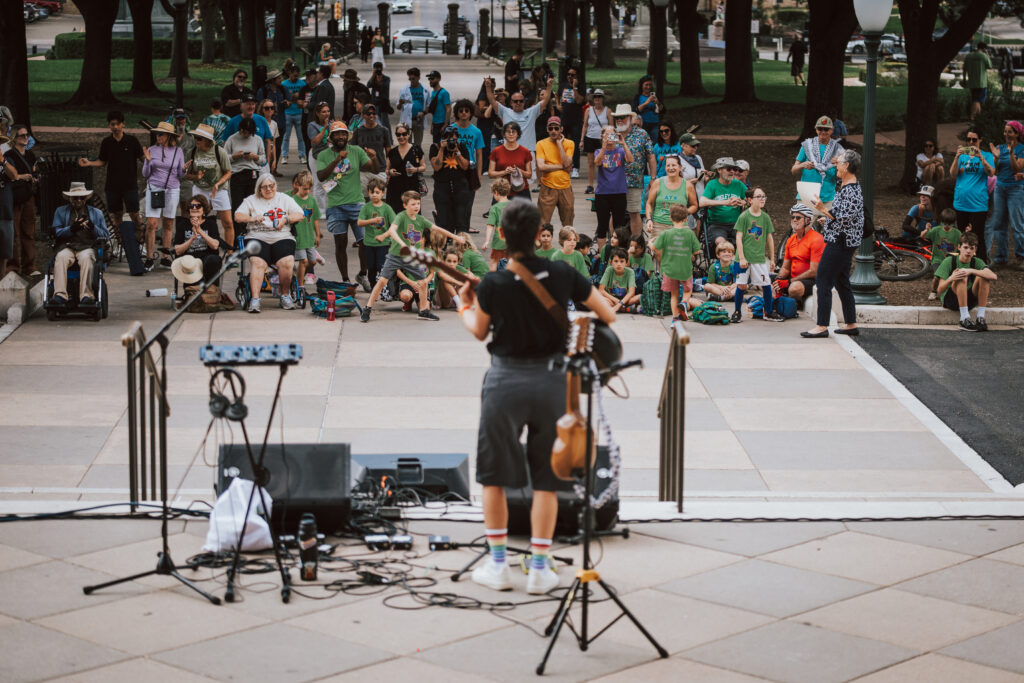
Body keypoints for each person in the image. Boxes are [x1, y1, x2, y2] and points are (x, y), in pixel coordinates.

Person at [456, 198, 615, 594]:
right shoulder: (562, 272)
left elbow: (479, 331)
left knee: (493, 475)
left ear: (505, 235)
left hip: (506, 381)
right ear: (539, 230)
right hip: (553, 382)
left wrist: (463, 306)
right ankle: (540, 566)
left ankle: (498, 566)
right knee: (546, 477)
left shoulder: (493, 281)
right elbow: (607, 315)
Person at [360, 190, 463, 322]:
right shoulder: (401, 216)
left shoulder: (420, 220)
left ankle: (424, 311)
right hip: (395, 256)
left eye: (418, 203)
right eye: (413, 204)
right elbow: (392, 230)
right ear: (405, 206)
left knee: (423, 282)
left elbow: (437, 229)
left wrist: (455, 237)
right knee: (382, 281)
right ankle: (367, 309)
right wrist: (403, 244)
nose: (416, 206)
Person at [803, 149, 863, 338]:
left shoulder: (852, 189)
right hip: (843, 240)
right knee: (842, 281)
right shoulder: (846, 187)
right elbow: (842, 217)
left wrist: (822, 210)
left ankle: (821, 326)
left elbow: (844, 218)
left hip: (840, 242)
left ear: (847, 166)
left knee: (823, 280)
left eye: (839, 162)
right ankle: (851, 323)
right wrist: (827, 219)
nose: (835, 164)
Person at [317, 120, 379, 288]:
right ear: (331, 137)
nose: (341, 137)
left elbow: (373, 169)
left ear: (348, 136)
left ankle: (362, 275)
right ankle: (345, 279)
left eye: (344, 134)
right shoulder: (323, 155)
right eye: (337, 134)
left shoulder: (356, 151)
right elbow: (321, 176)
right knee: (341, 241)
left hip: (357, 203)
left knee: (364, 241)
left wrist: (374, 158)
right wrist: (337, 159)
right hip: (336, 205)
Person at [233, 173, 305, 312]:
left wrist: (286, 220)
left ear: (275, 186)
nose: (268, 189)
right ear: (259, 189)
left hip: (281, 235)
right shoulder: (251, 200)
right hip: (257, 236)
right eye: (264, 187)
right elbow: (237, 216)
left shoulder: (284, 199)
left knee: (287, 262)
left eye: (271, 186)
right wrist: (252, 218)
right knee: (258, 263)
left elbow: (300, 214)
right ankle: (255, 299)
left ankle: (285, 295)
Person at [77, 111, 145, 244]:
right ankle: (120, 241)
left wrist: (153, 162)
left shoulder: (132, 141)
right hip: (112, 185)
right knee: (117, 214)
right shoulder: (107, 142)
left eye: (117, 124)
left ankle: (140, 234)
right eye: (112, 124)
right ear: (109, 126)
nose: (115, 127)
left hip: (130, 184)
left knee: (134, 213)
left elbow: (144, 159)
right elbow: (102, 161)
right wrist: (89, 162)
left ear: (123, 124)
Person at [50, 182, 110, 307]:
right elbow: (56, 232)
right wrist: (71, 229)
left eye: (81, 198)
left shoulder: (96, 213)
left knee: (87, 258)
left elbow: (105, 235)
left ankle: (86, 296)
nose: (78, 200)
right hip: (67, 246)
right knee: (61, 258)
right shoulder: (60, 212)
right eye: (75, 198)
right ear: (70, 198)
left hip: (87, 246)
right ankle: (60, 295)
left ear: (85, 199)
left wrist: (93, 227)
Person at [142, 121, 186, 270]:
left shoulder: (178, 151)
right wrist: (148, 162)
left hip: (172, 188)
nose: (158, 136)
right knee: (151, 224)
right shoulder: (151, 149)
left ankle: (165, 257)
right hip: (154, 187)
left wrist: (185, 170)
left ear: (168, 136)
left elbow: (180, 174)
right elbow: (145, 174)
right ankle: (149, 257)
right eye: (156, 133)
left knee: (168, 223)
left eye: (161, 134)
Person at [734, 187, 782, 322]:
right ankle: (737, 312)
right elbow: (739, 237)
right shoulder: (744, 216)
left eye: (764, 196)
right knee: (741, 285)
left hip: (759, 258)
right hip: (743, 259)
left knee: (766, 284)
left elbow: (769, 238)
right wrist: (742, 257)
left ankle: (768, 311)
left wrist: (772, 259)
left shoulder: (765, 217)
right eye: (759, 196)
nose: (762, 199)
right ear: (750, 200)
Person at [935, 232, 997, 331]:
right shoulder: (949, 261)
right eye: (966, 247)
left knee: (984, 276)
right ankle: (964, 319)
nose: (968, 251)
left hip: (969, 299)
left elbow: (994, 276)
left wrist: (971, 270)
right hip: (951, 300)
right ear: (959, 247)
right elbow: (939, 291)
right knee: (961, 274)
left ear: (975, 250)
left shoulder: (977, 261)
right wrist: (951, 278)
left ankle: (980, 317)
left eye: (971, 248)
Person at [185, 123, 233, 248]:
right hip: (200, 188)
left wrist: (218, 183)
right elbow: (187, 175)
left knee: (227, 222)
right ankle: (200, 246)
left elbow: (228, 172)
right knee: (197, 220)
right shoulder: (192, 152)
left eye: (199, 139)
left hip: (219, 189)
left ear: (207, 140)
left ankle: (229, 252)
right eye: (195, 138)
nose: (196, 141)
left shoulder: (219, 151)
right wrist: (196, 177)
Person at [949, 128, 994, 261]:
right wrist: (956, 157)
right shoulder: (962, 156)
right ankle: (965, 264)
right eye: (968, 139)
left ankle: (981, 265)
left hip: (978, 204)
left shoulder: (987, 155)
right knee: (963, 236)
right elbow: (952, 174)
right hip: (961, 202)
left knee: (977, 236)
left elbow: (991, 172)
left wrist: (981, 158)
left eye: (974, 139)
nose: (971, 142)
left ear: (980, 140)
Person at [985, 120, 1024, 270]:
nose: (1006, 134)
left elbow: (1016, 169)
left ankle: (1021, 257)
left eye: (1009, 131)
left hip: (1016, 189)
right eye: (1005, 131)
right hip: (1000, 188)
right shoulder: (1000, 147)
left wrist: (1011, 153)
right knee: (998, 223)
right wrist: (995, 157)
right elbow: (995, 171)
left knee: (1017, 224)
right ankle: (1001, 257)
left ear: (1017, 134)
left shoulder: (1021, 149)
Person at [653, 204, 701, 322]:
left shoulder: (665, 233)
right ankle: (684, 302)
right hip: (685, 269)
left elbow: (655, 247)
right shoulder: (689, 233)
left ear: (670, 218)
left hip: (669, 269)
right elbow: (697, 250)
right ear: (685, 219)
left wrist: (650, 243)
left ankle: (675, 320)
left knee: (674, 294)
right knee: (688, 290)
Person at [484, 76, 553, 152]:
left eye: (521, 101)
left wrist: (549, 86)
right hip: (510, 151)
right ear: (511, 103)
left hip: (528, 152)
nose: (518, 103)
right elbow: (491, 100)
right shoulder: (504, 111)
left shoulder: (532, 112)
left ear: (524, 102)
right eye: (515, 101)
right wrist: (488, 87)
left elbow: (545, 100)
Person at [4, 125, 38, 277]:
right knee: (14, 234)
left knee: (28, 232)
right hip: (15, 198)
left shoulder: (31, 155)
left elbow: (34, 171)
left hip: (28, 196)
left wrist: (34, 178)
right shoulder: (10, 155)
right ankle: (13, 267)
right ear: (15, 138)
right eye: (22, 135)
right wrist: (23, 176)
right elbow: (11, 176)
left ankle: (29, 266)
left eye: (27, 135)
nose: (26, 138)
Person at [616, 108, 656, 236]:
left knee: (634, 213)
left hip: (634, 181)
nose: (620, 120)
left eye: (623, 117)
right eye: (617, 117)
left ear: (630, 118)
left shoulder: (642, 134)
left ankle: (636, 243)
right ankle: (615, 242)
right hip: (614, 182)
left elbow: (651, 156)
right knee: (615, 213)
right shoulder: (612, 133)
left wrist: (653, 178)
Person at [792, 115, 843, 214]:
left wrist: (838, 164)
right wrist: (802, 165)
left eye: (826, 129)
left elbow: (843, 175)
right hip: (806, 197)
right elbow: (793, 169)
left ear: (832, 130)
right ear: (816, 129)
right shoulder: (807, 145)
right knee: (804, 229)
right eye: (820, 128)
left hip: (828, 198)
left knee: (828, 229)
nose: (823, 132)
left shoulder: (838, 149)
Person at [776, 203, 824, 305]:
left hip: (812, 280)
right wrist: (779, 280)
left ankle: (796, 302)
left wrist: (789, 282)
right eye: (792, 217)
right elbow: (785, 268)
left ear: (807, 220)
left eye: (798, 217)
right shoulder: (791, 240)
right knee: (768, 284)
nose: (794, 220)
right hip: (794, 279)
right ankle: (783, 304)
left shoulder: (816, 239)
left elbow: (814, 271)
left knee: (794, 288)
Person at [430, 124, 473, 235]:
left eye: (453, 138)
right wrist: (441, 149)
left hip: (460, 188)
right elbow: (436, 167)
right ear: (443, 138)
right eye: (448, 138)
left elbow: (465, 166)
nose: (451, 141)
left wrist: (457, 151)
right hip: (442, 188)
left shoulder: (461, 147)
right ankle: (444, 244)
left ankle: (460, 245)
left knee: (461, 221)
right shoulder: (435, 147)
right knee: (443, 221)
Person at [593, 126, 631, 248]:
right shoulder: (599, 151)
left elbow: (630, 160)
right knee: (602, 226)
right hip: (603, 194)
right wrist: (604, 146)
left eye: (612, 135)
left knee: (618, 226)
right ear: (602, 137)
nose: (610, 138)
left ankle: (617, 253)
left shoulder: (620, 151)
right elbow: (597, 163)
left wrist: (623, 143)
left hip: (619, 192)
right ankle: (602, 256)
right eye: (607, 135)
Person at [173, 193, 222, 287]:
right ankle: (193, 292)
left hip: (207, 258)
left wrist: (199, 231)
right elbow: (177, 250)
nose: (194, 208)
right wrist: (192, 239)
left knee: (213, 260)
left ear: (204, 209)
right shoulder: (183, 225)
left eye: (198, 206)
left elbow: (215, 245)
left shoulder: (210, 224)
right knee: (189, 264)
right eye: (192, 206)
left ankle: (212, 290)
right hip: (189, 260)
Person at [645, 155, 697, 241]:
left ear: (680, 167)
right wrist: (649, 220)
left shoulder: (688, 185)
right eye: (668, 165)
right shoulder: (658, 183)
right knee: (658, 252)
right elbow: (649, 203)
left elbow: (694, 205)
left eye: (674, 165)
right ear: (665, 168)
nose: (671, 168)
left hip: (680, 225)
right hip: (659, 225)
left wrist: (683, 212)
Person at [699, 157, 747, 248]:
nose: (732, 171)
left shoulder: (738, 184)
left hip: (736, 224)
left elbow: (750, 199)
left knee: (748, 240)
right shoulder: (712, 184)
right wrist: (725, 202)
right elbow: (702, 202)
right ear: (719, 170)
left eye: (734, 169)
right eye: (729, 169)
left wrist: (742, 202)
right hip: (716, 224)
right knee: (723, 244)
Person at [536, 116, 575, 227]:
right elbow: (541, 167)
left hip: (565, 187)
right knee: (543, 223)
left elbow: (567, 163)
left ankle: (567, 244)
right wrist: (562, 167)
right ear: (547, 129)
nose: (553, 131)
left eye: (556, 128)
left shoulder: (569, 143)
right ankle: (542, 244)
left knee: (568, 224)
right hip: (547, 187)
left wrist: (559, 144)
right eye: (551, 128)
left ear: (561, 129)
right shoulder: (541, 144)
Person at [221, 93, 275, 170]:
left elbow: (268, 142)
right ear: (241, 106)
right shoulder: (233, 121)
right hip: (237, 166)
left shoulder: (262, 120)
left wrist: (268, 163)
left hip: (260, 164)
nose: (251, 107)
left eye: (253, 104)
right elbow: (225, 143)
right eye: (248, 104)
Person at [357, 176, 395, 286]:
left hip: (383, 243)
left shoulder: (387, 208)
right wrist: (372, 220)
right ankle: (374, 287)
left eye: (377, 192)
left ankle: (382, 287)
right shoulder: (366, 207)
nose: (374, 195)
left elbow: (394, 224)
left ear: (383, 193)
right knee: (371, 267)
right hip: (369, 243)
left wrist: (386, 235)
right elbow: (359, 222)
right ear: (368, 192)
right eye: (372, 192)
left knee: (380, 266)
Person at [225, 117, 267, 214]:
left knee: (252, 203)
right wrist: (235, 156)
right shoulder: (232, 139)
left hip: (252, 173)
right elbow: (224, 158)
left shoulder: (257, 139)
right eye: (244, 132)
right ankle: (238, 228)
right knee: (237, 204)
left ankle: (251, 226)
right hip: (237, 174)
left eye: (249, 133)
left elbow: (263, 159)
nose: (246, 135)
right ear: (240, 129)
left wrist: (255, 157)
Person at [288, 170, 321, 287]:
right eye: (304, 189)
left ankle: (297, 279)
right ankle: (300, 286)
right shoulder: (292, 201)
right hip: (298, 236)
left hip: (308, 237)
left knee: (312, 261)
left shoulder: (312, 200)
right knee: (303, 261)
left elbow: (315, 219)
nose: (307, 191)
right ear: (298, 186)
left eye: (309, 189)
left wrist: (317, 234)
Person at [352, 104, 392, 199]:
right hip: (363, 171)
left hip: (380, 170)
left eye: (374, 113)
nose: (371, 116)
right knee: (364, 200)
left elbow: (389, 153)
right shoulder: (358, 131)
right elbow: (353, 152)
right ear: (363, 115)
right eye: (368, 113)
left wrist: (387, 170)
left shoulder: (383, 130)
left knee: (381, 200)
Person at [922, 207, 962, 301]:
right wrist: (926, 230)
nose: (947, 226)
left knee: (951, 278)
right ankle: (933, 291)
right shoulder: (936, 230)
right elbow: (922, 236)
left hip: (951, 259)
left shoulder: (957, 233)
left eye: (950, 224)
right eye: (945, 223)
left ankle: (950, 292)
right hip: (938, 259)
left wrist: (967, 233)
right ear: (941, 221)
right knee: (937, 277)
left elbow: (964, 241)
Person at [385, 122, 426, 214]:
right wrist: (390, 172)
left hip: (411, 186)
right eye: (398, 135)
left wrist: (415, 169)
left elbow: (424, 167)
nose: (401, 137)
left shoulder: (416, 149)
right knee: (395, 215)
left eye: (404, 134)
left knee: (412, 215)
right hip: (395, 188)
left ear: (409, 134)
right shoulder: (392, 152)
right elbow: (387, 169)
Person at [489, 122, 533, 201]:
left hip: (521, 191)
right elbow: (490, 174)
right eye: (508, 131)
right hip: (501, 190)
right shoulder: (496, 151)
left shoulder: (525, 151)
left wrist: (518, 171)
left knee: (524, 213)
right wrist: (505, 172)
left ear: (518, 134)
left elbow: (529, 175)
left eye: (514, 132)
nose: (511, 134)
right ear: (504, 134)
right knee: (500, 213)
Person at [557, 66, 584, 179]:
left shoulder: (580, 87)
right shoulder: (563, 85)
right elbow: (557, 94)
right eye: (568, 74)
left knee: (575, 144)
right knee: (562, 143)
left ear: (577, 76)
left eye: (573, 75)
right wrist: (558, 104)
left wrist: (574, 87)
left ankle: (575, 167)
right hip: (565, 119)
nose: (570, 77)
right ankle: (563, 165)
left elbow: (579, 100)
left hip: (576, 120)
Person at [581, 89, 610, 194]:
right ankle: (590, 185)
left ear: (602, 98)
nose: (597, 99)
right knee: (590, 163)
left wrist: (611, 139)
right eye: (595, 97)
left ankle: (604, 183)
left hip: (603, 139)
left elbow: (611, 127)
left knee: (604, 162)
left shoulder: (608, 111)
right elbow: (585, 125)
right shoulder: (588, 110)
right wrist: (581, 140)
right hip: (590, 137)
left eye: (599, 96)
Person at [678, 132, 707, 231]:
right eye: (692, 146)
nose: (695, 148)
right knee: (688, 226)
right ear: (683, 146)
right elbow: (676, 181)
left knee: (698, 225)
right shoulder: (678, 160)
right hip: (687, 199)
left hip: (700, 198)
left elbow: (703, 177)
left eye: (696, 145)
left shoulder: (698, 158)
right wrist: (690, 181)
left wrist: (707, 176)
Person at [280, 66, 308, 165]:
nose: (296, 77)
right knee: (285, 136)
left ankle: (302, 155)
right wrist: (294, 96)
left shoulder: (302, 83)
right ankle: (284, 156)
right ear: (290, 73)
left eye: (297, 75)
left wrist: (294, 97)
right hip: (287, 113)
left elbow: (304, 97)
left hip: (299, 112)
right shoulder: (284, 84)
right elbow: (284, 98)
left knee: (301, 136)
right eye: (294, 75)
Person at [397, 68, 430, 146]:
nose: (411, 81)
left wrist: (423, 113)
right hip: (406, 121)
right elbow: (398, 107)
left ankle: (417, 157)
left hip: (418, 120)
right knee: (407, 144)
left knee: (418, 144)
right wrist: (400, 103)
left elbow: (429, 106)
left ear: (418, 77)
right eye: (410, 79)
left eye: (413, 79)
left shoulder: (425, 90)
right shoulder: (404, 89)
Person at [599, 247, 638, 312]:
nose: (619, 264)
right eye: (616, 261)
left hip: (625, 300)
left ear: (626, 263)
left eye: (622, 261)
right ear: (611, 262)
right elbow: (601, 290)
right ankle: (625, 309)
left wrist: (620, 303)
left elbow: (631, 292)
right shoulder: (609, 270)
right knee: (599, 298)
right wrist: (616, 301)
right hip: (611, 300)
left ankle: (619, 308)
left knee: (639, 297)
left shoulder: (630, 272)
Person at [703, 241, 742, 306]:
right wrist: (723, 288)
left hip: (731, 288)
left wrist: (729, 287)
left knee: (744, 285)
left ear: (732, 255)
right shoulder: (714, 266)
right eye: (724, 252)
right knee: (706, 286)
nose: (727, 254)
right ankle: (729, 296)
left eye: (729, 252)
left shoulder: (735, 266)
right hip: (719, 289)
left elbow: (738, 281)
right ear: (718, 255)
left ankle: (722, 297)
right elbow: (711, 283)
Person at [484, 178, 512, 266]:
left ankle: (494, 278)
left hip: (499, 240)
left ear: (496, 192)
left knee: (495, 262)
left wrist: (487, 241)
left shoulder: (494, 208)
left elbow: (490, 226)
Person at [963, 42, 993, 120]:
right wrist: (987, 55)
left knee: (975, 100)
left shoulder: (969, 55)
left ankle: (979, 117)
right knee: (977, 100)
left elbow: (964, 68)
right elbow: (990, 66)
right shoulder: (983, 56)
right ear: (984, 49)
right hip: (981, 82)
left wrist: (964, 79)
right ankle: (972, 116)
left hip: (972, 82)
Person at [632, 76, 662, 141]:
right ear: (642, 86)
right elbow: (635, 111)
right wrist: (646, 102)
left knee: (655, 142)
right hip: (642, 124)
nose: (648, 87)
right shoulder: (638, 97)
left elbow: (662, 110)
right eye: (646, 85)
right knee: (642, 142)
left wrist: (657, 102)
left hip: (655, 123)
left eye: (650, 85)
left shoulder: (656, 96)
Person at [367, 62, 392, 130]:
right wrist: (373, 75)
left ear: (382, 69)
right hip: (374, 103)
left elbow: (384, 87)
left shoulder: (386, 79)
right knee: (376, 122)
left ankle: (388, 138)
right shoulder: (373, 79)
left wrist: (379, 80)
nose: (378, 70)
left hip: (383, 104)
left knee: (385, 123)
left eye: (379, 68)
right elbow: (368, 85)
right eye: (376, 68)